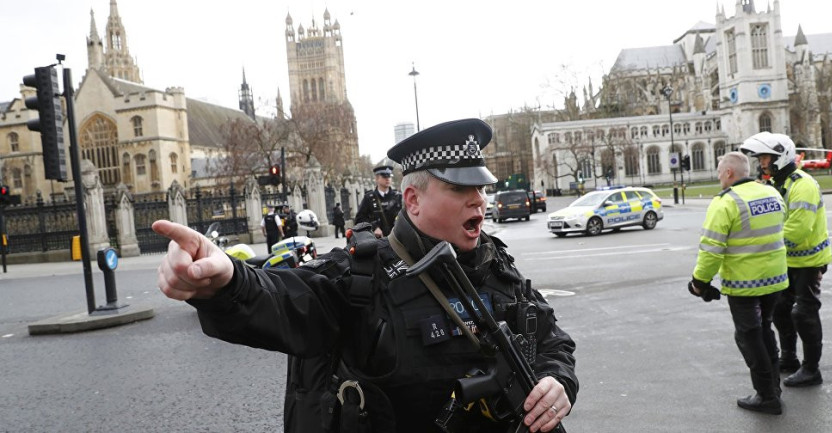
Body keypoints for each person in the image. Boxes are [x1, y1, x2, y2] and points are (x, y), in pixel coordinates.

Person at [153, 118, 578, 433]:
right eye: (460, 190)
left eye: (481, 189)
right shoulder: (361, 277)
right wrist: (226, 281)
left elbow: (551, 338)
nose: (479, 201)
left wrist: (557, 381)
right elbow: (285, 300)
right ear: (413, 200)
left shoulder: (495, 264)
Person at [689, 151, 788, 415]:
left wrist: (699, 283)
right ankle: (774, 389)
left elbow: (711, 249)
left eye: (720, 171)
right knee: (765, 330)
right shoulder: (772, 193)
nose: (719, 176)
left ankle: (767, 396)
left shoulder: (725, 203)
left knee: (749, 335)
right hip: (776, 279)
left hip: (745, 284)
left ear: (729, 173)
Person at [740, 132, 832, 387]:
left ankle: (812, 369)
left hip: (809, 260)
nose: (762, 163)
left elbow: (798, 232)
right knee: (781, 310)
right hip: (787, 262)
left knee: (804, 313)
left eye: (766, 157)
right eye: (761, 158)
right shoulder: (778, 185)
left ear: (782, 156)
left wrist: (765, 247)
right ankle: (789, 358)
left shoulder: (802, 185)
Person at [354, 163, 402, 238]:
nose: (387, 179)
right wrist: (373, 227)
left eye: (389, 176)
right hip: (377, 241)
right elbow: (359, 219)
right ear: (376, 178)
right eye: (384, 176)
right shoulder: (369, 198)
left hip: (397, 240)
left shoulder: (398, 197)